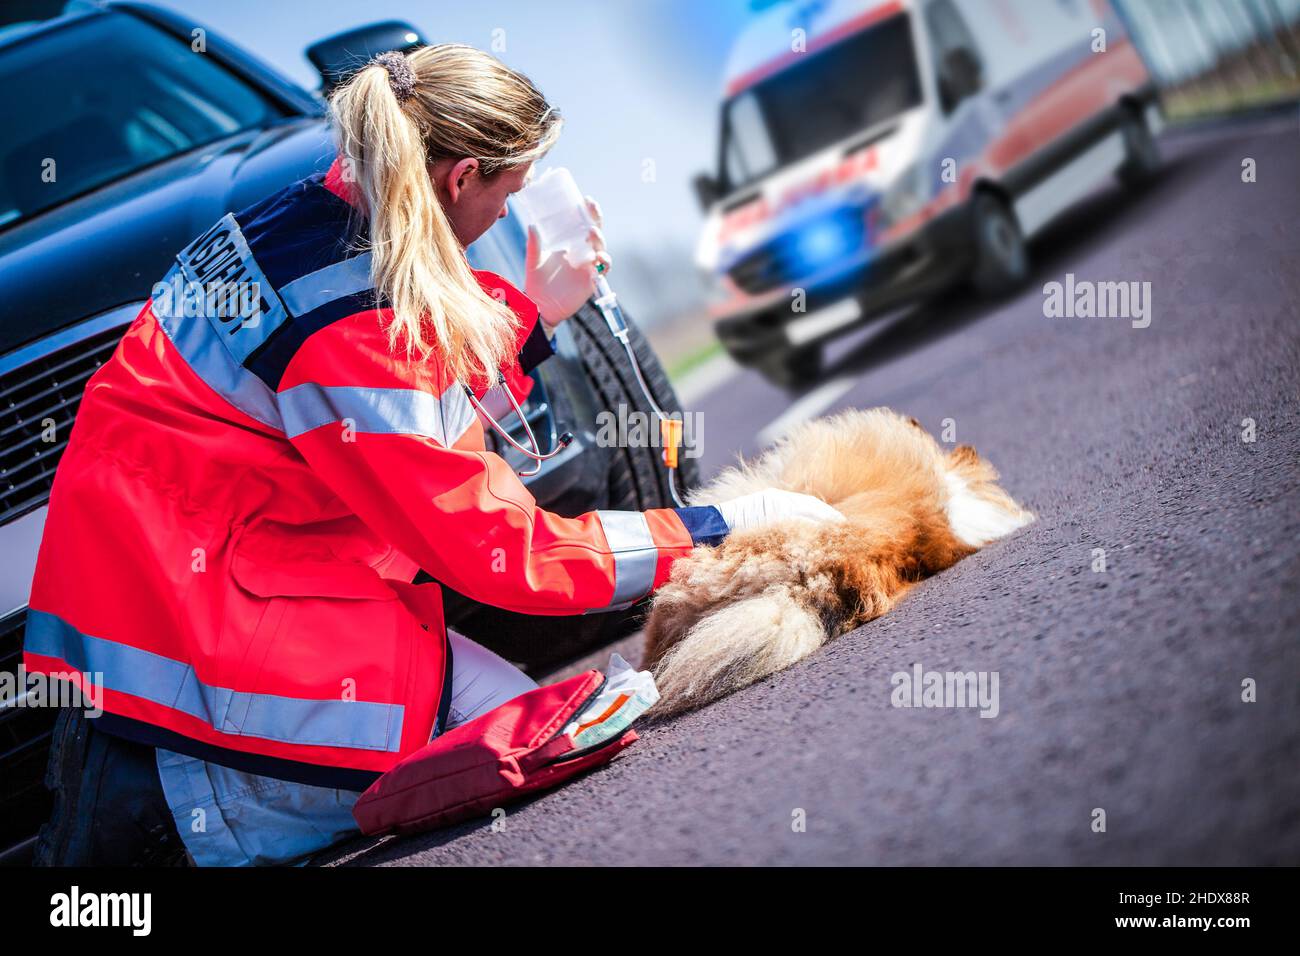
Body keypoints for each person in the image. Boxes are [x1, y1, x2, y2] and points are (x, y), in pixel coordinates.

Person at [26, 44, 841, 866]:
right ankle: (217, 820)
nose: (504, 212)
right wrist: (715, 527)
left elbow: (387, 427)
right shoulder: (353, 314)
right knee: (558, 735)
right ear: (462, 178)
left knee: (546, 720)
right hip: (199, 670)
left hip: (168, 607)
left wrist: (536, 322)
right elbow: (497, 549)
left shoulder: (303, 223)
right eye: (508, 192)